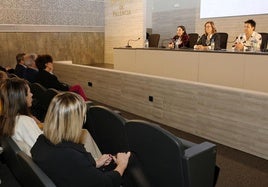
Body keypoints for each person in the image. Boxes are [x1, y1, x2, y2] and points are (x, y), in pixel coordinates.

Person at [31, 92, 131, 187]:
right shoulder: (70, 155)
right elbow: (104, 184)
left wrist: (95, 164)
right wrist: (121, 165)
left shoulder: (41, 141)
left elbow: (71, 171)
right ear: (74, 122)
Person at [0, 78, 42, 156]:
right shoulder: (24, 121)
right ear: (21, 98)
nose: (31, 95)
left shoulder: (6, 119)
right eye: (29, 92)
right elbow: (42, 149)